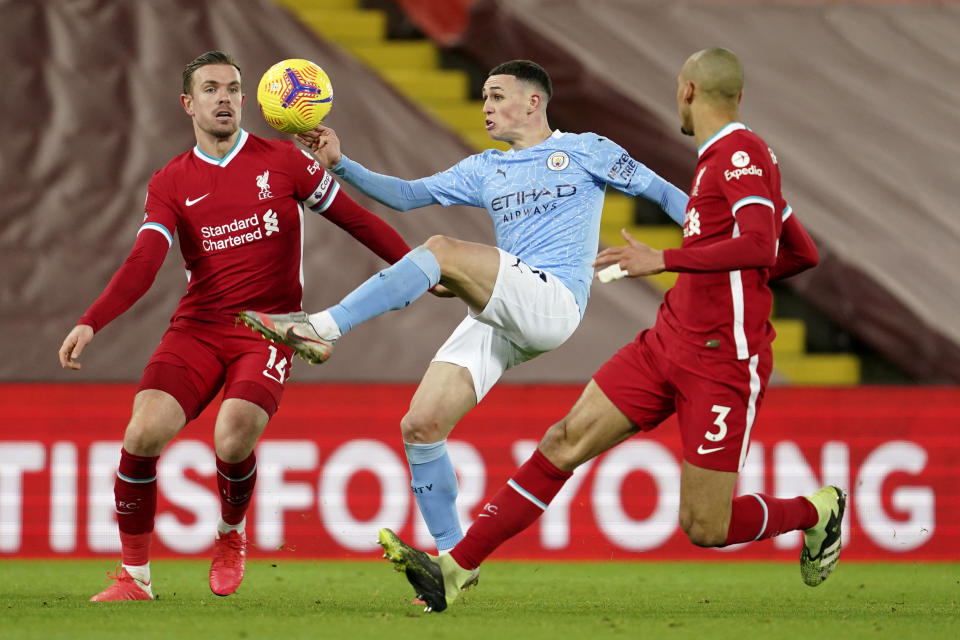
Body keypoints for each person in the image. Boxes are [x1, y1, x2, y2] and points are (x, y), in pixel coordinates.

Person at [376, 47, 842, 613]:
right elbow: (801, 252)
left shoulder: (739, 155)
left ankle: (818, 511)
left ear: (688, 91)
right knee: (562, 442)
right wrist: (734, 282)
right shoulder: (722, 160)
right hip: (667, 340)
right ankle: (455, 568)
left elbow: (759, 244)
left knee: (705, 525)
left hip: (723, 359)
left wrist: (668, 263)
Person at [239, 60, 690, 560]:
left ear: (533, 102)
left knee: (444, 250)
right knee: (421, 425)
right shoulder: (485, 168)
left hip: (555, 301)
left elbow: (667, 195)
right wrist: (341, 163)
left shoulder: (586, 150)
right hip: (503, 314)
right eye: (483, 98)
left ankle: (321, 327)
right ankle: (452, 563)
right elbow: (407, 196)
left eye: (497, 96)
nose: (487, 107)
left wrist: (704, 247)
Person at [58, 51, 412, 602]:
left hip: (269, 328)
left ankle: (229, 533)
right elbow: (144, 262)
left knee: (232, 433)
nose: (224, 97)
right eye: (210, 89)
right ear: (188, 103)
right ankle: (135, 579)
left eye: (233, 89)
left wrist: (418, 269)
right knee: (142, 432)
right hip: (198, 327)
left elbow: (356, 219)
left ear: (247, 99)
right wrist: (91, 320)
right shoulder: (171, 181)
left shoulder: (286, 162)